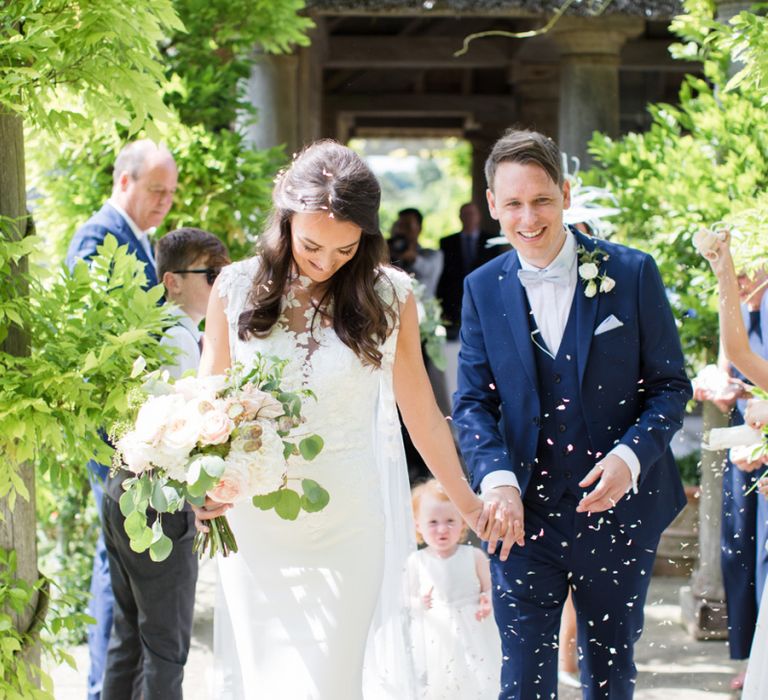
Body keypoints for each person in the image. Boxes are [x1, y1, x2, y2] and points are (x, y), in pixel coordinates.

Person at [192, 140, 508, 700]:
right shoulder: (235, 287)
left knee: (331, 684)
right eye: (312, 244)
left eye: (345, 249)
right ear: (285, 219)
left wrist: (469, 504)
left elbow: (424, 416)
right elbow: (208, 404)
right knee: (270, 683)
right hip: (258, 528)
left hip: (349, 526)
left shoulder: (388, 296)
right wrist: (201, 484)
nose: (324, 261)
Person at [453, 128, 691, 700]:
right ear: (492, 204)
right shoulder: (482, 287)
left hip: (619, 514)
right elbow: (472, 402)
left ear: (564, 192)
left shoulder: (631, 273)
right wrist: (498, 480)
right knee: (523, 680)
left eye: (541, 200)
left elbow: (668, 386)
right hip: (521, 519)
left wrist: (631, 458)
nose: (528, 218)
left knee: (610, 675)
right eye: (512, 204)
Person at [65, 139, 177, 700]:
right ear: (124, 180)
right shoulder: (97, 239)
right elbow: (97, 343)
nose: (164, 202)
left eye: (170, 193)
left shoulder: (138, 237)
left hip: (138, 428)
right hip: (115, 433)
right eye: (156, 190)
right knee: (118, 568)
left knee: (126, 569)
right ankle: (100, 689)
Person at [99, 228, 229, 700]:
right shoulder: (177, 340)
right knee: (166, 647)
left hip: (122, 489)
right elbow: (184, 433)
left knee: (129, 636)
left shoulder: (148, 329)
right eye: (211, 274)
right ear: (173, 281)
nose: (220, 284)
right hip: (159, 501)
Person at [692, 269, 768, 690]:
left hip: (760, 440)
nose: (738, 280)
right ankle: (753, 655)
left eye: (743, 271)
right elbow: (733, 360)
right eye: (731, 273)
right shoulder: (736, 309)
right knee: (740, 547)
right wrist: (719, 385)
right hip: (746, 442)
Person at [408, 479, 501, 699]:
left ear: (463, 523)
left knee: (477, 673)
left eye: (450, 520)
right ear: (418, 525)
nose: (442, 529)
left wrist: (487, 599)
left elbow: (490, 587)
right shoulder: (417, 561)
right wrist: (418, 602)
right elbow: (405, 598)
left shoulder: (474, 556)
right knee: (441, 678)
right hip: (436, 631)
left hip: (472, 627)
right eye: (432, 522)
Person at [436, 202, 503, 341]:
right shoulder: (447, 242)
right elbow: (442, 276)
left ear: (478, 217)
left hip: (484, 298)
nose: (469, 217)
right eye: (465, 214)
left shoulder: (492, 241)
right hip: (454, 302)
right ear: (460, 216)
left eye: (472, 214)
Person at [388, 207, 444, 299]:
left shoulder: (433, 255)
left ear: (419, 228)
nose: (401, 231)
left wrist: (412, 258)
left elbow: (427, 269)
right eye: (399, 226)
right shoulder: (390, 253)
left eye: (407, 226)